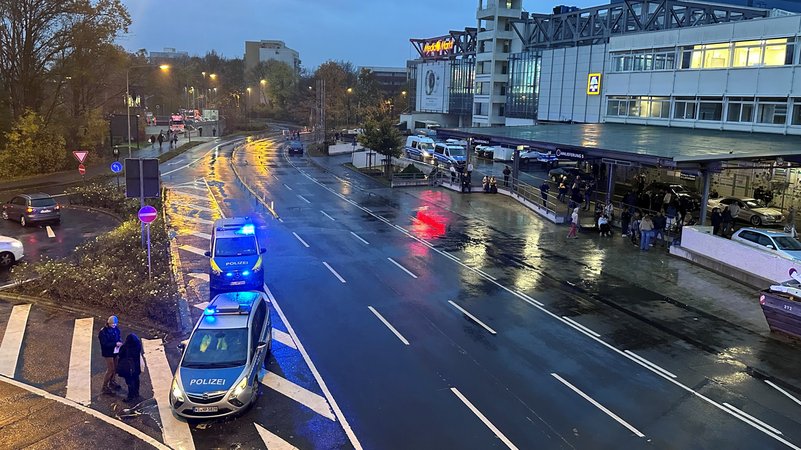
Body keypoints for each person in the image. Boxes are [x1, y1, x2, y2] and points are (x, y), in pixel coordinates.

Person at [98, 316, 123, 394]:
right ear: (109, 323)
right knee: (110, 369)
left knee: (115, 368)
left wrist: (119, 342)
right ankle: (104, 386)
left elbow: (119, 337)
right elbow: (104, 344)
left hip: (115, 351)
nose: (114, 325)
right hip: (108, 353)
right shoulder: (103, 332)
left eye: (115, 324)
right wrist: (115, 344)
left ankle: (112, 381)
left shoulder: (116, 329)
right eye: (113, 324)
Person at [117, 333, 144, 403]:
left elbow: (120, 354)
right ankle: (136, 393)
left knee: (130, 381)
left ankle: (130, 396)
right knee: (136, 379)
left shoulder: (126, 347)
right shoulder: (138, 345)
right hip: (136, 366)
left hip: (128, 368)